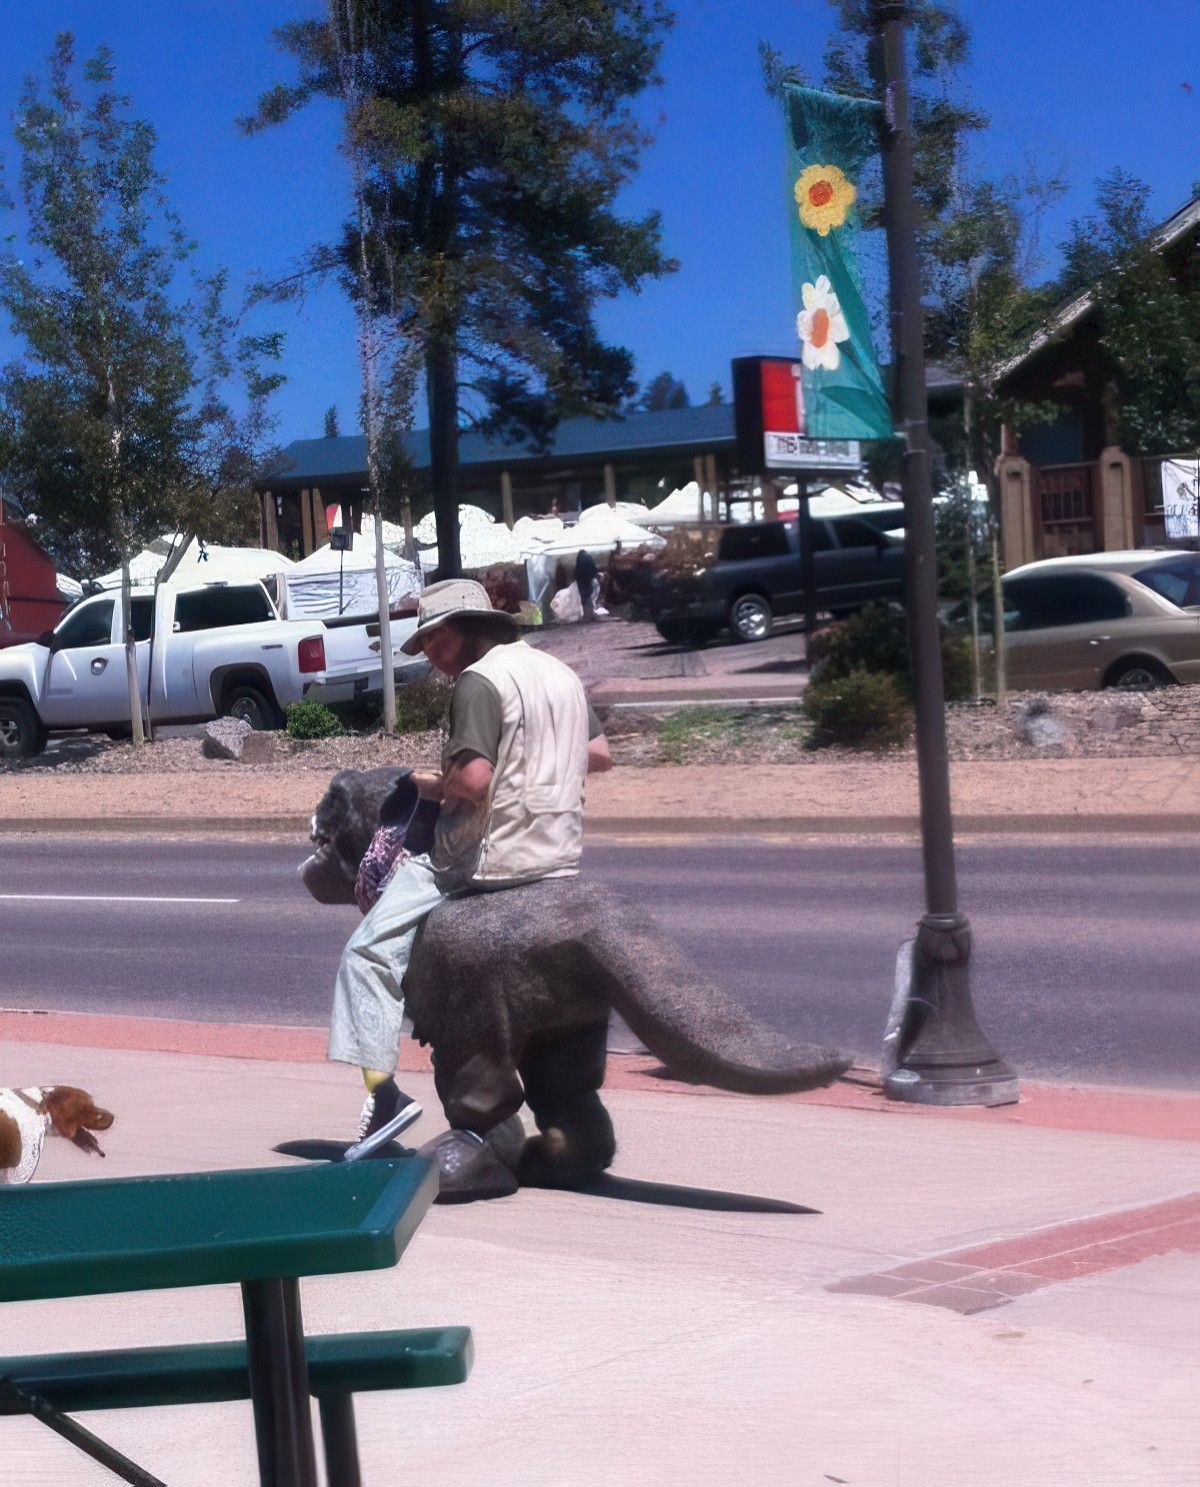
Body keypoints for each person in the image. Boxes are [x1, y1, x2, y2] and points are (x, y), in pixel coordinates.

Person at [328, 578, 612, 1177]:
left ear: (472, 627)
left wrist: (432, 783)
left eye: (435, 635)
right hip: (559, 857)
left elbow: (475, 781)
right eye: (424, 640)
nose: (429, 648)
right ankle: (573, 1119)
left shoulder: (479, 682)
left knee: (365, 954)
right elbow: (600, 755)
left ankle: (384, 1098)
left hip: (483, 860)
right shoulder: (560, 674)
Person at [573, 547, 599, 620]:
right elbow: (593, 569)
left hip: (581, 581)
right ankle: (590, 614)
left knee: (584, 598)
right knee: (588, 597)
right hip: (587, 581)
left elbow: (576, 572)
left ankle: (587, 614)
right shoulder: (588, 558)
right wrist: (594, 576)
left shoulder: (579, 559)